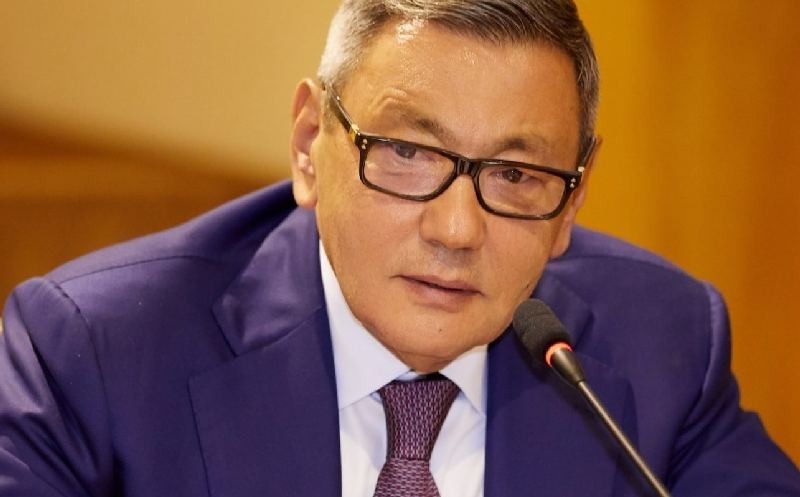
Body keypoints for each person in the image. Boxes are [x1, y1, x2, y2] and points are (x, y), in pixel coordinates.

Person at [1, 0, 799, 495]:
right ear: (309, 144)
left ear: (573, 200)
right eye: (408, 152)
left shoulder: (661, 345)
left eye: (516, 174)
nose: (456, 230)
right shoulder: (97, 352)